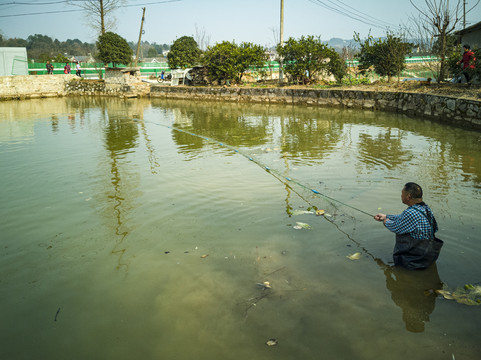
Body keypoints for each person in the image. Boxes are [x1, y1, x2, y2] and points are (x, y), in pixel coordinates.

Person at [374, 182, 443, 270]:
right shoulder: (425, 208)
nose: (401, 196)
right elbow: (402, 218)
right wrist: (386, 216)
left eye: (402, 193)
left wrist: (385, 221)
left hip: (414, 258)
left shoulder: (411, 213)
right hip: (428, 254)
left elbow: (396, 227)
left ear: (408, 196)